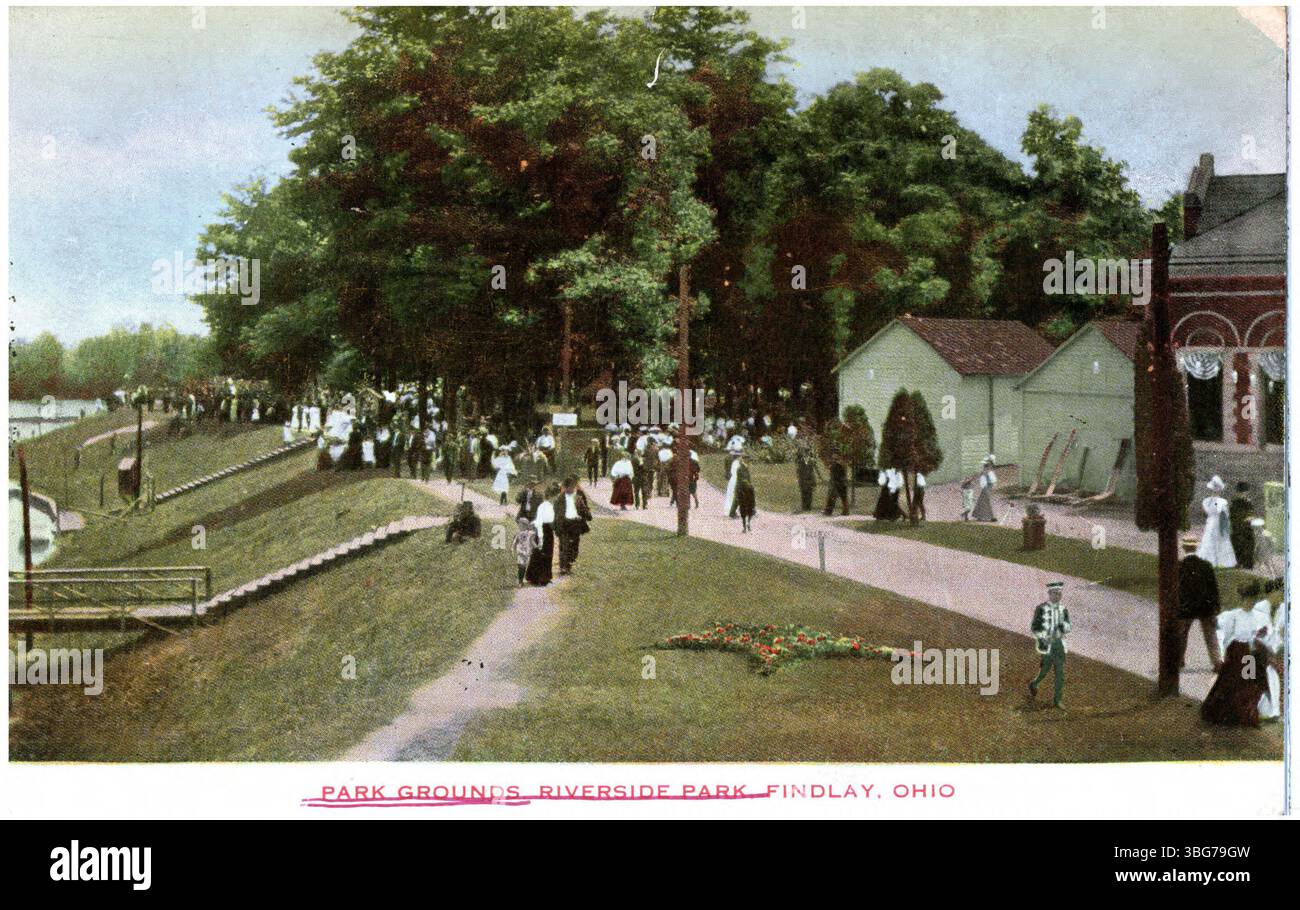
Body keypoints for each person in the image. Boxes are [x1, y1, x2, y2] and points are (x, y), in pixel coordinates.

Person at [1202, 598, 1274, 726]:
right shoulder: (1235, 616)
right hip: (1239, 652)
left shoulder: (1255, 616)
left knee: (1246, 681)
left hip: (1246, 653)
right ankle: (1232, 713)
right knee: (1236, 680)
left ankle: (1242, 713)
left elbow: (1258, 636)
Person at [1176, 535, 1224, 671]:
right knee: (1211, 635)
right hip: (1206, 606)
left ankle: (1179, 660)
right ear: (1197, 547)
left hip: (1186, 606)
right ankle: (1217, 662)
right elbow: (1213, 588)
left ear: (1184, 547)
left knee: (1182, 634)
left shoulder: (1180, 566)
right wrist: (1216, 606)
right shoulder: (1206, 566)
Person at [1028, 581, 1070, 710]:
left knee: (1060, 672)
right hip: (1046, 645)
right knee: (1045, 670)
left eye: (1059, 593)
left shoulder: (1064, 609)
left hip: (1059, 644)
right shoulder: (1041, 608)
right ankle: (1034, 683)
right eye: (1054, 593)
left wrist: (1063, 627)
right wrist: (1043, 637)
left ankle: (1057, 700)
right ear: (1049, 594)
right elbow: (1034, 627)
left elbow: (1069, 626)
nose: (1057, 596)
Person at [553, 476, 593, 576]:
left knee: (574, 547)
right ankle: (563, 567)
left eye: (572, 487)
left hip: (575, 526)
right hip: (564, 526)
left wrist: (587, 515)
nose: (570, 489)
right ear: (564, 488)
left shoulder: (578, 498)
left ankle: (569, 564)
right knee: (564, 546)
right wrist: (556, 525)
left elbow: (584, 510)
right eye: (568, 487)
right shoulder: (559, 499)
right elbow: (555, 513)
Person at [1196, 475, 1236, 567]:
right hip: (1213, 521)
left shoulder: (1210, 501)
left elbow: (1213, 512)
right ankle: (1214, 560)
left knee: (1215, 538)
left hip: (1214, 521)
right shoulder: (1213, 501)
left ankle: (1216, 560)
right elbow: (1219, 512)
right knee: (1213, 538)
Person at [525, 485, 559, 586]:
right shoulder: (547, 506)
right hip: (545, 532)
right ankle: (542, 577)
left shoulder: (545, 505)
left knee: (540, 553)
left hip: (545, 531)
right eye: (556, 496)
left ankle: (536, 576)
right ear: (552, 496)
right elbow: (547, 522)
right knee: (544, 554)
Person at [1229, 481, 1255, 569]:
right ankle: (1239, 563)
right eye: (1241, 492)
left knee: (1249, 542)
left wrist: (1250, 518)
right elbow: (1233, 516)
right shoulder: (1235, 503)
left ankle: (1246, 564)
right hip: (1238, 528)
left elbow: (1251, 514)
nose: (1243, 494)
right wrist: (1243, 520)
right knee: (1238, 543)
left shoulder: (1248, 502)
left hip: (1246, 528)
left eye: (1244, 492)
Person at [796, 442, 822, 513]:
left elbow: (816, 469)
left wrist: (820, 477)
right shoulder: (800, 461)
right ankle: (804, 506)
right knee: (803, 492)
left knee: (809, 493)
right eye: (805, 451)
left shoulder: (812, 460)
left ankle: (809, 506)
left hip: (810, 478)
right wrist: (798, 478)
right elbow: (798, 470)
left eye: (807, 451)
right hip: (803, 478)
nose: (806, 453)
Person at [971, 456, 997, 522]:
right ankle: (982, 516)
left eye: (986, 465)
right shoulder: (984, 472)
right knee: (983, 501)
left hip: (988, 488)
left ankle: (988, 516)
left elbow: (993, 481)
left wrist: (987, 475)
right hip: (985, 488)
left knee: (985, 501)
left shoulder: (989, 472)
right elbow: (980, 479)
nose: (985, 466)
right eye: (985, 465)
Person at [736, 455, 757, 533]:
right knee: (743, 507)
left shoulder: (746, 468)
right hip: (742, 490)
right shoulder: (740, 468)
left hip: (748, 490)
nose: (749, 461)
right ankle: (744, 526)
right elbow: (742, 480)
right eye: (748, 460)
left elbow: (748, 479)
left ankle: (748, 523)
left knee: (750, 506)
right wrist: (749, 485)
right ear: (744, 459)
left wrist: (750, 485)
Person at [512, 517, 535, 586]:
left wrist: (536, 547)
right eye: (519, 524)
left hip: (527, 552)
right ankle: (520, 581)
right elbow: (515, 542)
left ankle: (522, 579)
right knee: (520, 565)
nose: (519, 526)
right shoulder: (518, 534)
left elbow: (532, 540)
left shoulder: (529, 533)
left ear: (525, 525)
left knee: (524, 566)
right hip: (520, 551)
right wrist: (513, 548)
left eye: (521, 524)